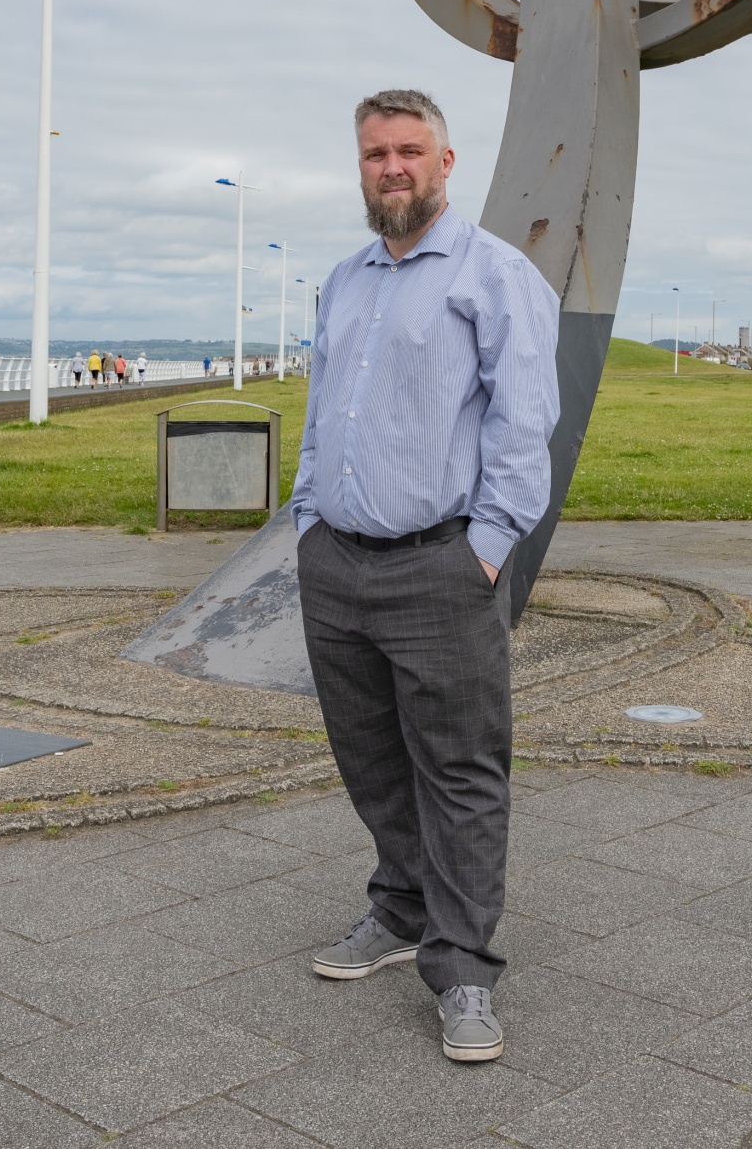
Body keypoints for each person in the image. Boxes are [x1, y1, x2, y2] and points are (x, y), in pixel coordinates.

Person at [291, 87, 559, 1064]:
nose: (392, 167)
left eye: (410, 151)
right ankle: (401, 909)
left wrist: (484, 547)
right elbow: (324, 411)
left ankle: (462, 967)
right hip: (337, 564)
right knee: (369, 757)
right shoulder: (343, 280)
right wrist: (307, 522)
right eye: (376, 154)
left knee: (459, 771)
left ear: (445, 163)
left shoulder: (496, 274)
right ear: (360, 167)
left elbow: (524, 424)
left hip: (440, 565)